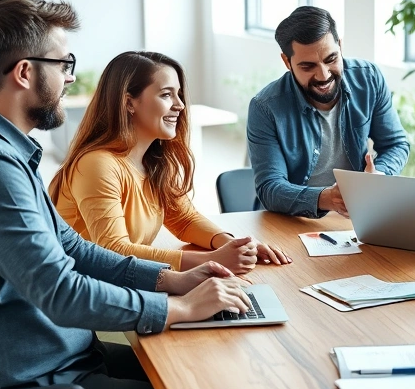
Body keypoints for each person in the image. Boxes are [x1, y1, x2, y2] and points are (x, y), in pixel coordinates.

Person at [0, 0, 248, 389]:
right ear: (25, 72)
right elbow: (61, 292)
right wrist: (182, 309)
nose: (71, 77)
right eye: (64, 63)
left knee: (204, 369)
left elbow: (74, 248)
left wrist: (173, 280)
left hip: (59, 365)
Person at [50, 51, 290, 272]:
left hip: (121, 282)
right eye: (166, 94)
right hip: (82, 293)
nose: (180, 105)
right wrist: (212, 260)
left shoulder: (154, 160)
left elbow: (184, 219)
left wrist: (234, 245)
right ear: (128, 102)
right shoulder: (97, 164)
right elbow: (114, 251)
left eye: (179, 94)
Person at [247, 5, 409, 217]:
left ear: (340, 46)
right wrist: (327, 198)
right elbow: (270, 188)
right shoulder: (265, 107)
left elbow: (396, 144)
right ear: (287, 62)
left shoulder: (369, 79)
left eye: (331, 59)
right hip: (293, 220)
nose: (323, 75)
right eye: (308, 67)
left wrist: (379, 175)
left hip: (356, 217)